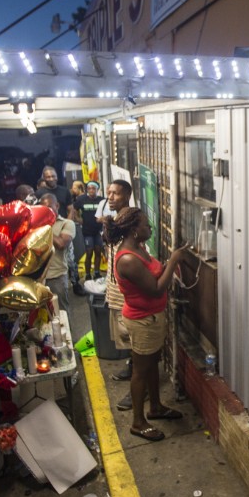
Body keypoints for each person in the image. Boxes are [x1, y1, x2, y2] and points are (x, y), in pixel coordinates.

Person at [103, 207, 189, 443]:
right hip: (143, 321)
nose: (150, 228)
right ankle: (138, 422)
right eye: (145, 224)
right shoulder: (128, 259)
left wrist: (167, 266)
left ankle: (156, 407)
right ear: (134, 230)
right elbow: (156, 289)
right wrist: (173, 260)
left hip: (151, 318)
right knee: (141, 371)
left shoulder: (138, 249)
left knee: (152, 363)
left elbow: (154, 273)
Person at [99, 181, 139, 408]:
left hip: (125, 295)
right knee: (126, 339)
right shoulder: (115, 221)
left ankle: (138, 388)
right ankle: (132, 368)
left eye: (116, 193)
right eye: (109, 193)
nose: (111, 197)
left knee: (134, 340)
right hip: (115, 291)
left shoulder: (129, 221)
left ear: (128, 195)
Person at [40, 194, 75, 310]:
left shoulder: (67, 223)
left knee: (61, 312)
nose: (47, 210)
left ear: (57, 206)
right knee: (41, 315)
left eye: (50, 207)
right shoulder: (36, 224)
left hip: (57, 276)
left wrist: (44, 226)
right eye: (43, 208)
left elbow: (61, 244)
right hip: (38, 278)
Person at [72, 182, 106, 280]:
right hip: (87, 231)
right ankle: (87, 274)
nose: (91, 190)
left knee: (98, 252)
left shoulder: (101, 200)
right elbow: (74, 209)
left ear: (97, 189)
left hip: (98, 231)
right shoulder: (81, 199)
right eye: (89, 188)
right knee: (89, 252)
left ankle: (97, 272)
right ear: (87, 189)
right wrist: (78, 219)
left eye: (93, 188)